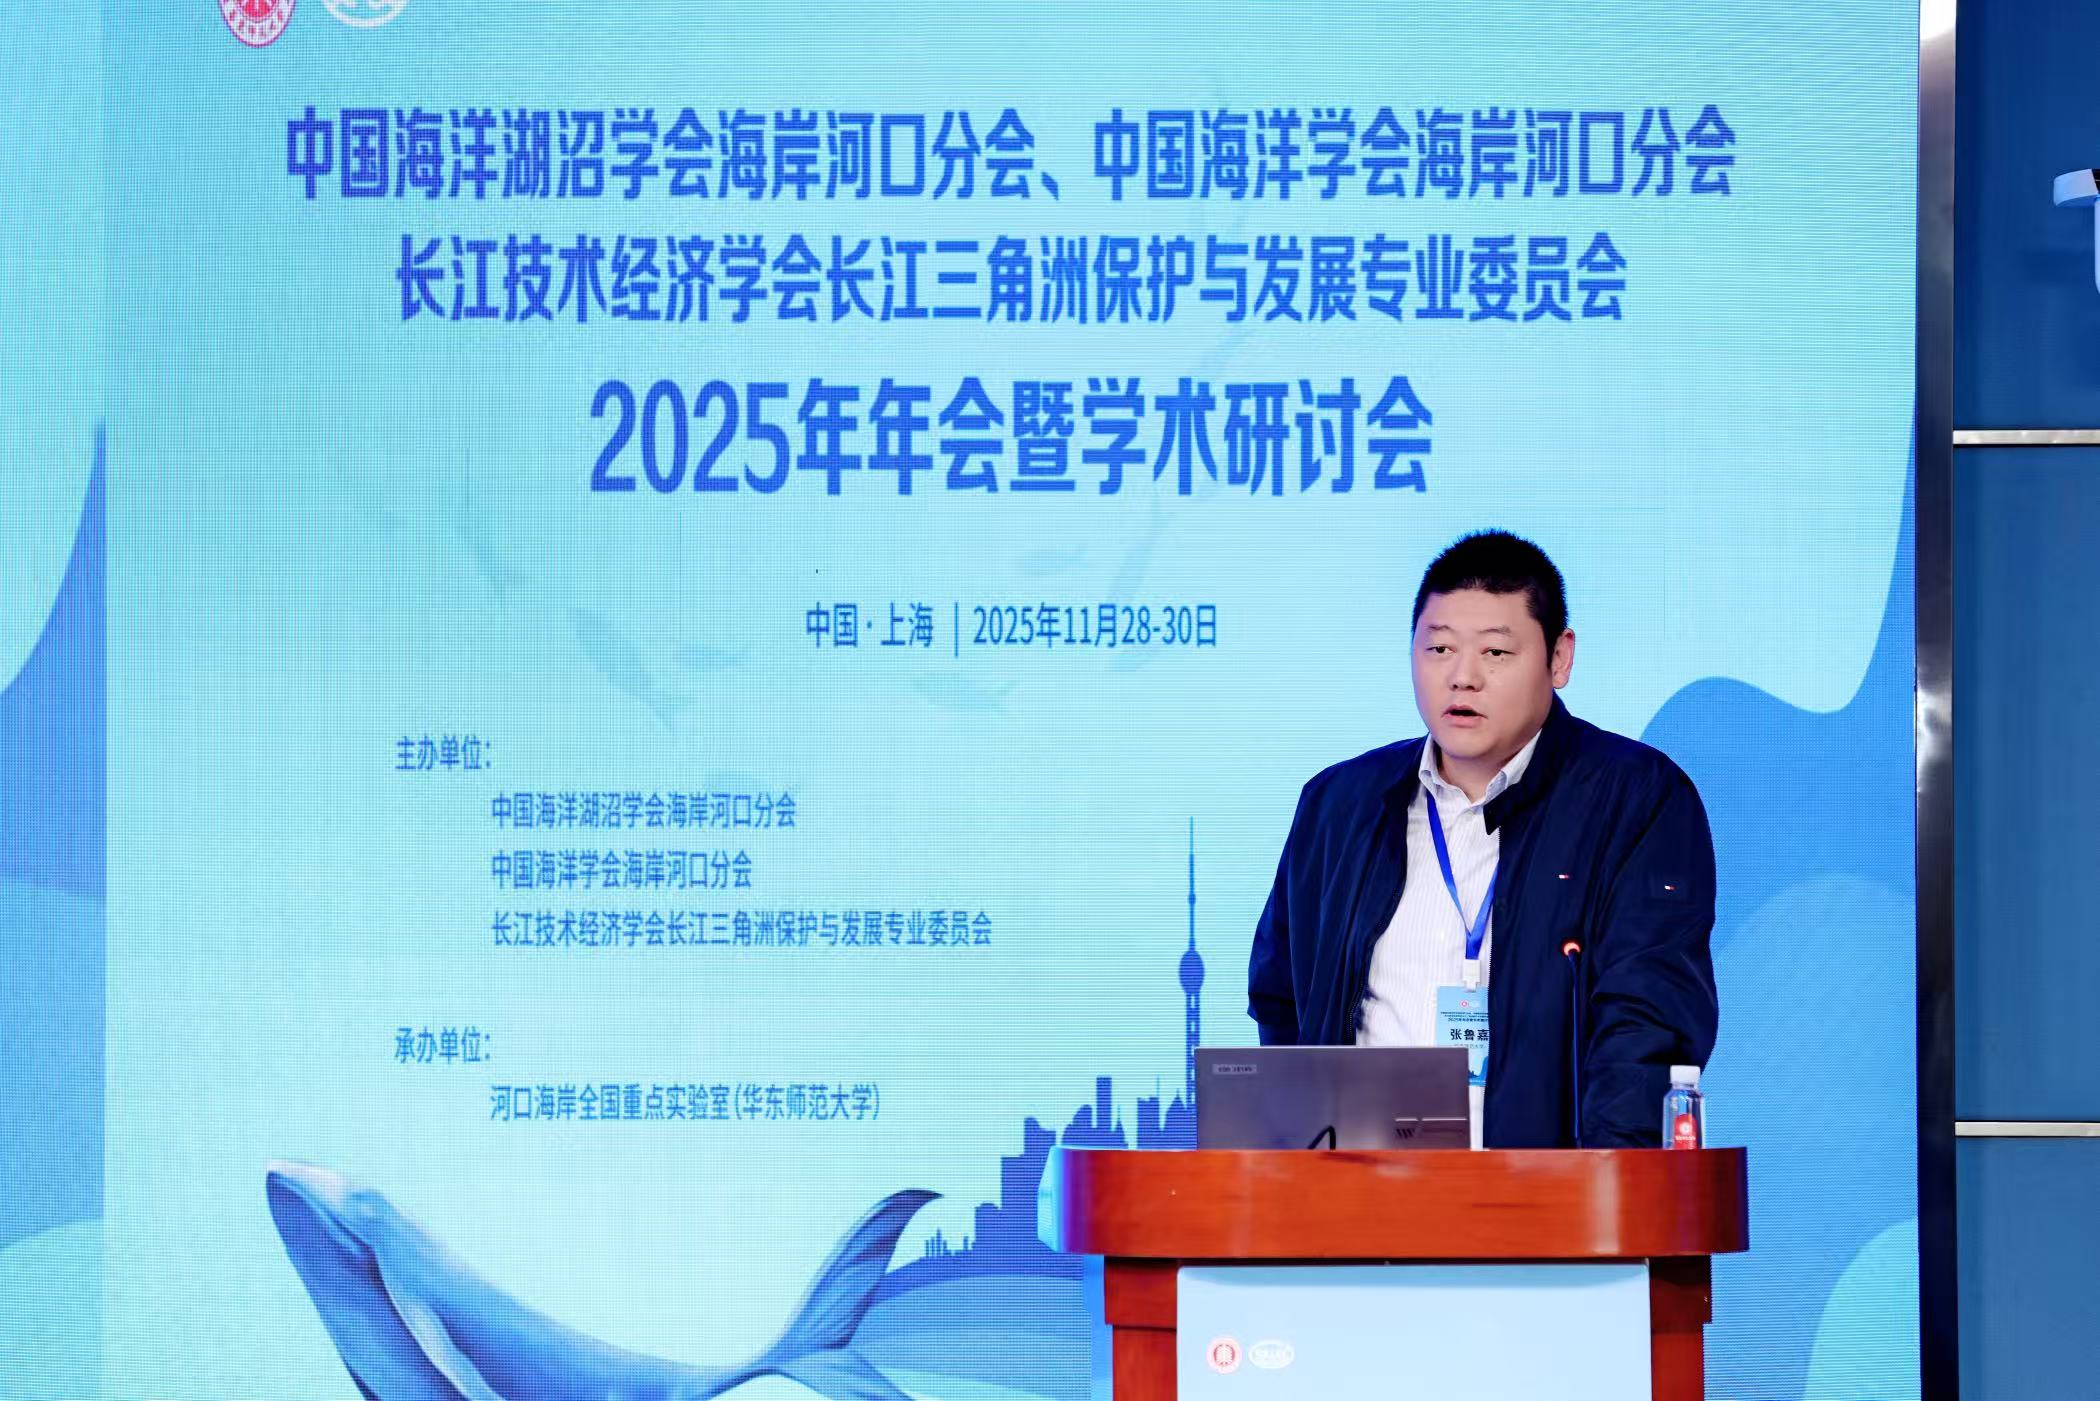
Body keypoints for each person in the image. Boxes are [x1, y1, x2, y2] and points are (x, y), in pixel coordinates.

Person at [1246, 530, 1717, 1148]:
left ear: (1559, 658)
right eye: (1439, 648)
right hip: (1357, 1191)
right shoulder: (1338, 805)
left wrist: (1601, 1190)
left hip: (1546, 1194)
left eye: (1495, 652)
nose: (1462, 677)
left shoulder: (1636, 799)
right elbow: (1281, 998)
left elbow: (1647, 1023)